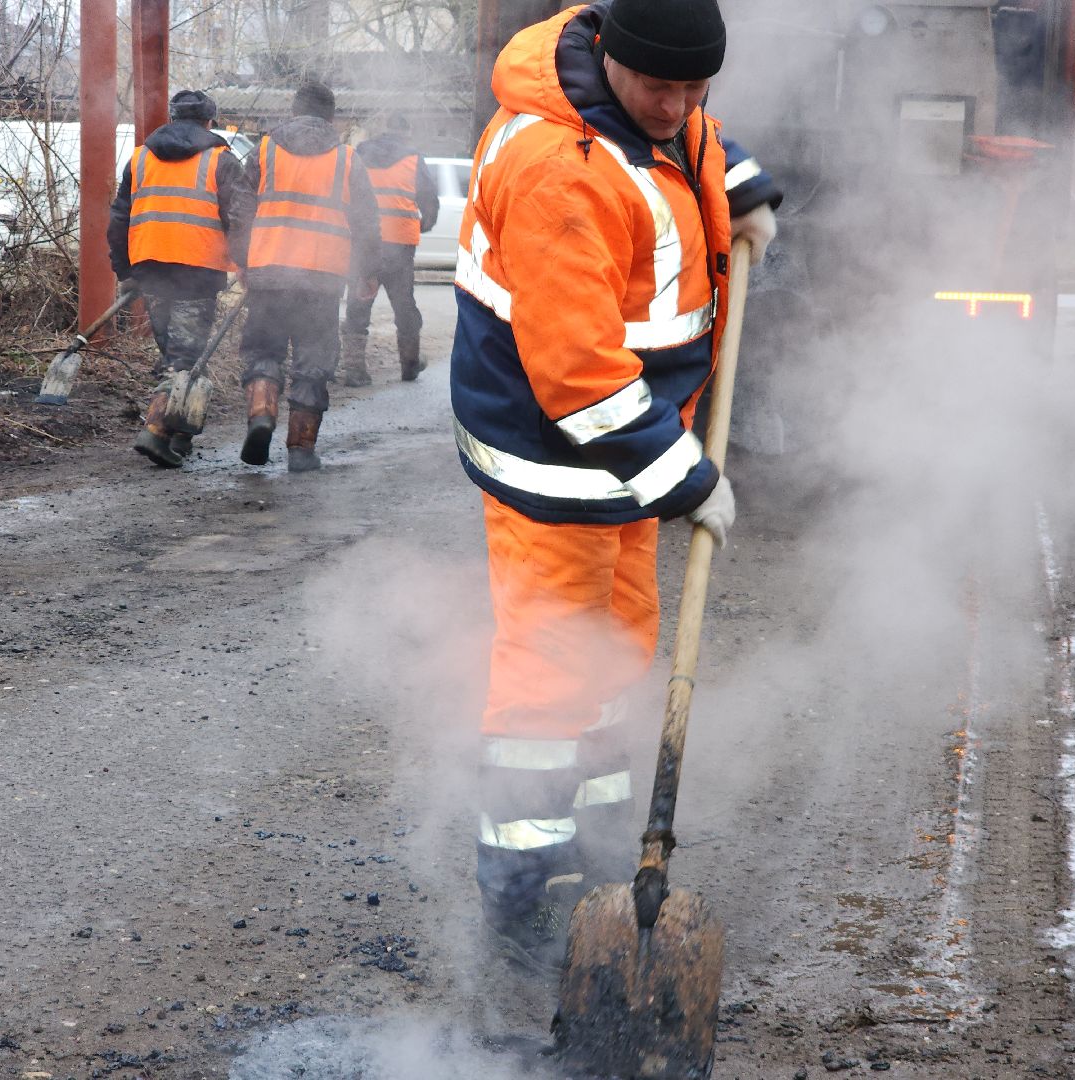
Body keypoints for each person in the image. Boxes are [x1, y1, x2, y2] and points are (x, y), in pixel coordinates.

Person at [449, 0, 781, 974]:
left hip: (626, 455)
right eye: (662, 88)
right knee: (549, 679)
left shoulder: (652, 110)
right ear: (610, 62)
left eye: (697, 89)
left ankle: (594, 853)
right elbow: (577, 371)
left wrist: (743, 186)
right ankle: (518, 898)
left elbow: (692, 145)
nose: (680, 106)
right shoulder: (559, 167)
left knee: (619, 647)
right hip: (553, 455)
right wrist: (682, 477)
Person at [231, 81, 381, 473]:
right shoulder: (348, 160)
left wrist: (243, 261)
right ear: (331, 118)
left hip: (269, 270)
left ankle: (262, 414)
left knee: (264, 351)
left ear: (293, 113)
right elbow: (366, 224)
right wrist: (367, 273)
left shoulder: (263, 151)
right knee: (314, 358)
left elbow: (241, 211)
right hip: (323, 277)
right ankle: (300, 448)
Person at [109, 89, 246, 468]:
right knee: (185, 358)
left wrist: (126, 270)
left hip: (151, 268)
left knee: (173, 351)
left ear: (171, 117)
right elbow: (241, 218)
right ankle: (155, 432)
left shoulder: (140, 158)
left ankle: (182, 432)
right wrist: (247, 263)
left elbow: (119, 217)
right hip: (197, 270)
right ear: (209, 122)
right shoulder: (221, 160)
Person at [340, 114, 440, 386]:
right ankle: (409, 364)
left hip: (363, 243)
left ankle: (354, 370)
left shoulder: (360, 154)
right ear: (406, 133)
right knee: (404, 305)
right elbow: (429, 203)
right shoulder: (413, 158)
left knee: (358, 304)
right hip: (399, 244)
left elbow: (346, 194)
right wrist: (423, 225)